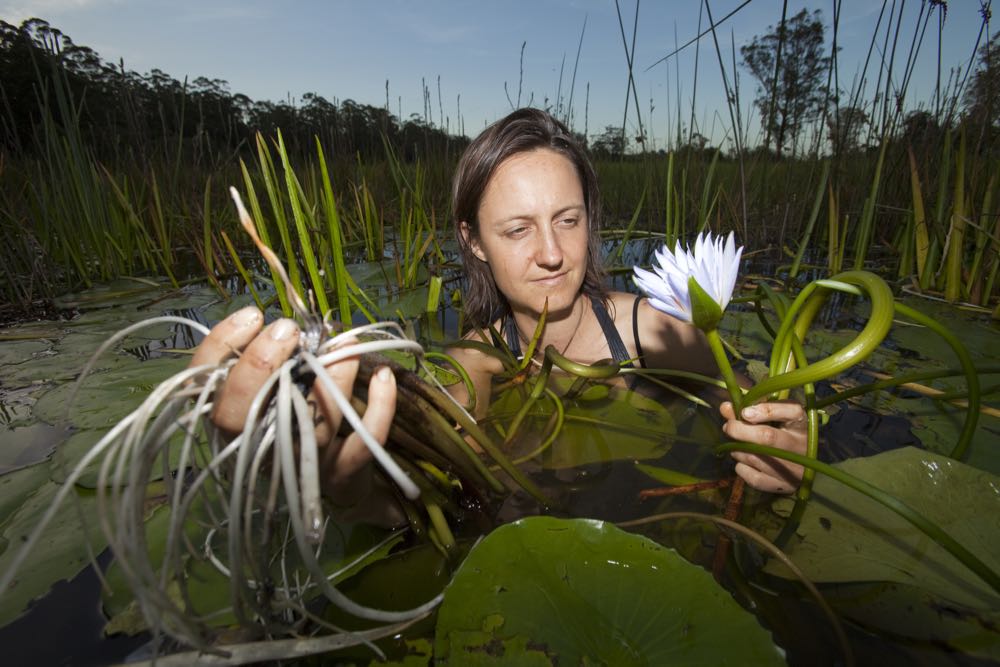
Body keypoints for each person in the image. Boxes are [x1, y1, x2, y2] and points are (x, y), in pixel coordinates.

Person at [195, 108, 807, 526]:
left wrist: (789, 442)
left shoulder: (652, 328)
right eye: (517, 229)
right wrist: (355, 487)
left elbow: (751, 392)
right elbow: (439, 446)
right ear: (476, 241)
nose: (551, 252)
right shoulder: (477, 358)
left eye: (568, 220)